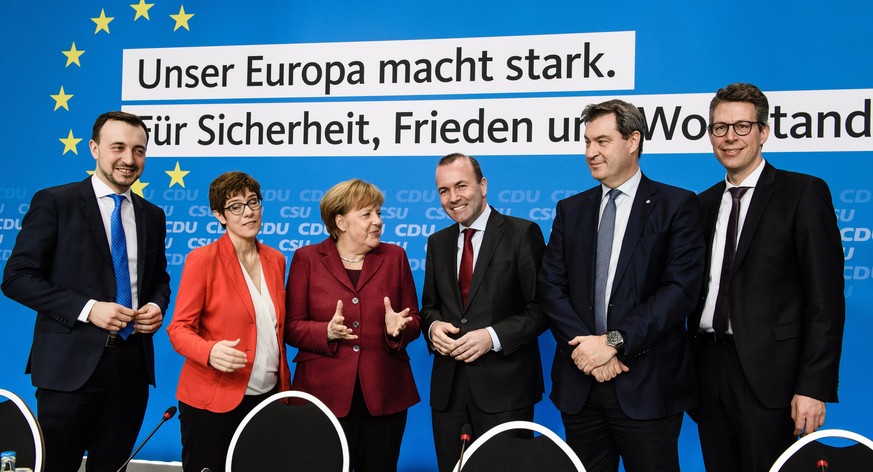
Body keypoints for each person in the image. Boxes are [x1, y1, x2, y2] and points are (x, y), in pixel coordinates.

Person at [538, 99, 705, 472]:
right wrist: (588, 350)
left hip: (646, 384)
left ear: (633, 140)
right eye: (586, 143)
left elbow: (679, 291)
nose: (591, 152)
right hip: (581, 384)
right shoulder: (571, 209)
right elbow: (550, 287)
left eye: (601, 141)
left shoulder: (676, 205)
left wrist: (612, 343)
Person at [1, 111, 171, 471]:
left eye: (139, 150)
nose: (129, 159)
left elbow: (159, 279)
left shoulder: (152, 215)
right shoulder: (55, 202)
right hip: (69, 369)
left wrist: (156, 305)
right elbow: (16, 277)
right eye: (118, 147)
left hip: (131, 369)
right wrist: (89, 308)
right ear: (94, 148)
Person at [692, 83, 845, 471]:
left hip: (772, 378)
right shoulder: (702, 204)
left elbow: (824, 299)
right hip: (707, 371)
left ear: (764, 132)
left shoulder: (803, 192)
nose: (730, 138)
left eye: (742, 127)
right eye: (719, 127)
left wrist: (812, 387)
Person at [421, 153, 547, 472]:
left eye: (461, 185)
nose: (453, 197)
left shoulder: (522, 233)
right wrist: (432, 327)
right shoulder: (437, 242)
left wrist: (492, 338)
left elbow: (542, 308)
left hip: (505, 393)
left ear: (483, 185)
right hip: (448, 395)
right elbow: (429, 307)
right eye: (444, 190)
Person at [285, 178, 420, 472]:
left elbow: (415, 321)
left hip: (384, 393)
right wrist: (325, 332)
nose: (378, 222)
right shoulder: (306, 259)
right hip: (323, 394)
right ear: (341, 221)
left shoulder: (395, 257)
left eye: (379, 213)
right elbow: (292, 327)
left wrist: (398, 328)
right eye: (367, 214)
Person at [166, 171, 291, 472]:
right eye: (236, 206)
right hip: (213, 400)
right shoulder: (203, 260)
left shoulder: (276, 260)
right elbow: (179, 328)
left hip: (267, 395)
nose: (248, 212)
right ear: (219, 216)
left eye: (253, 202)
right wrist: (209, 352)